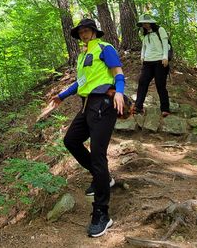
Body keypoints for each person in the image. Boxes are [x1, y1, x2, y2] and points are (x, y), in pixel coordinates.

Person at [49, 18, 125, 238]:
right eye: (80, 31)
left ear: (94, 31)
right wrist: (62, 96)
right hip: (86, 105)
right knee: (70, 140)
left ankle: (102, 213)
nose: (83, 33)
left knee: (99, 155)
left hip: (103, 102)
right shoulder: (82, 56)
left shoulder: (105, 47)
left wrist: (119, 91)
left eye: (86, 30)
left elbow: (118, 71)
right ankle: (101, 176)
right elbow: (80, 82)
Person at [133, 14, 171, 117]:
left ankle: (165, 108)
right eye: (142, 24)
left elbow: (165, 43)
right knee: (142, 82)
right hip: (147, 62)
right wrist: (142, 57)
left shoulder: (160, 30)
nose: (144, 25)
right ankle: (138, 106)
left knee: (160, 85)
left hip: (160, 61)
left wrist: (165, 57)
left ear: (151, 22)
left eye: (146, 23)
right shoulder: (145, 34)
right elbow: (144, 47)